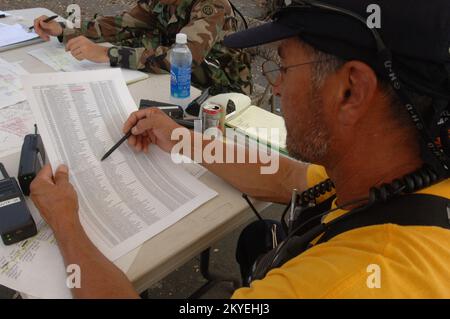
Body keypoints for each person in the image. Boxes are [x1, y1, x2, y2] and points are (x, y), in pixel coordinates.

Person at [30, 0, 450, 299]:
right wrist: (180, 137)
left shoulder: (341, 282)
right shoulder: (400, 168)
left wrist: (66, 223)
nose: (277, 86)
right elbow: (288, 176)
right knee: (255, 235)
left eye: (283, 66)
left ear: (351, 91)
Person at [32, 0, 252, 95]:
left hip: (219, 89)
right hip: (176, 84)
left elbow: (183, 59)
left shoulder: (211, 6)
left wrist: (106, 54)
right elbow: (122, 24)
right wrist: (64, 29)